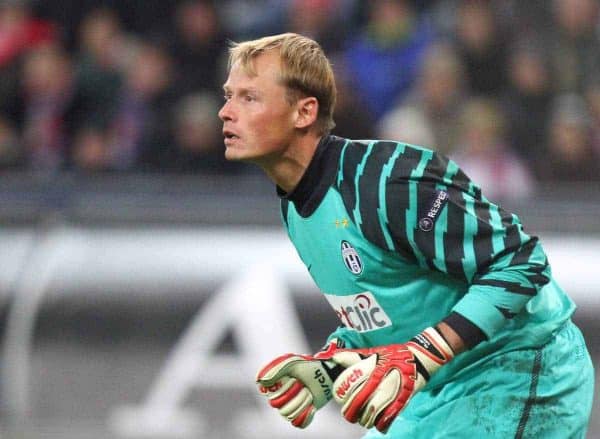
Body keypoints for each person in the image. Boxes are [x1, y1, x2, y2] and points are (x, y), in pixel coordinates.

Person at [218, 33, 594, 438]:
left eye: (249, 97)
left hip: (520, 370)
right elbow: (389, 314)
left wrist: (421, 357)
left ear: (304, 112)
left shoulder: (385, 181)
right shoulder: (295, 203)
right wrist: (329, 368)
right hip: (441, 388)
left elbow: (521, 262)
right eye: (228, 96)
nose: (225, 112)